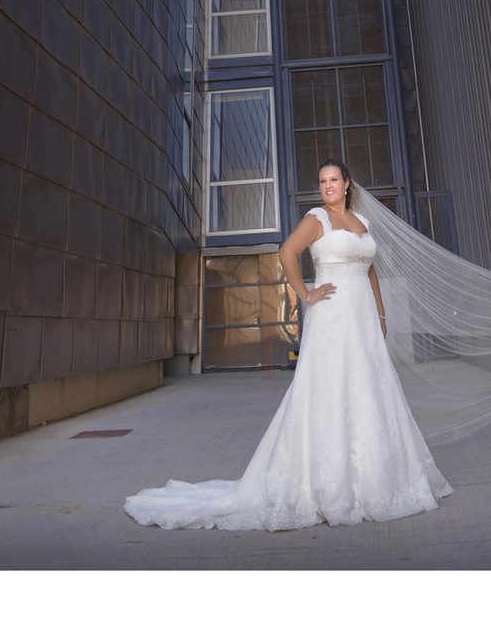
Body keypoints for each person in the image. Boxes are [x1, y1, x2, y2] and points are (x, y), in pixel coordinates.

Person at [123, 159, 452, 531]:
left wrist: (381, 312)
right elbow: (286, 252)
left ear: (347, 183)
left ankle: (377, 476)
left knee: (370, 387)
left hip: (363, 318)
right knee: (329, 388)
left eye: (334, 179)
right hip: (332, 317)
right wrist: (305, 294)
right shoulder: (316, 218)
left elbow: (370, 269)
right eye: (322, 181)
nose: (327, 186)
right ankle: (329, 483)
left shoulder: (363, 222)